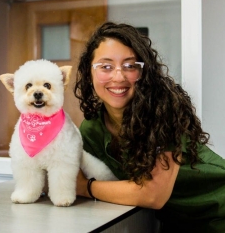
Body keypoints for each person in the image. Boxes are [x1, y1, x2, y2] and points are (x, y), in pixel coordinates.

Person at [74, 22, 225, 233]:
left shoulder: (164, 112)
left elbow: (153, 194)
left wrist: (84, 187)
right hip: (176, 223)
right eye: (105, 66)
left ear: (143, 72)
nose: (118, 76)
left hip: (219, 213)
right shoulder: (91, 129)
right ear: (89, 72)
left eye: (130, 66)